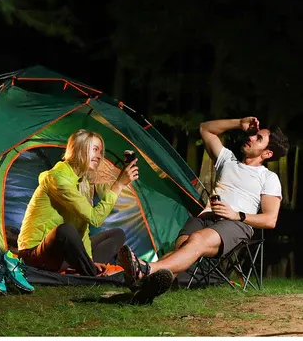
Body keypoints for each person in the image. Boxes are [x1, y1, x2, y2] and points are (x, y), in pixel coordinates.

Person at [118, 116, 289, 305]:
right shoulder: (227, 160)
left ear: (267, 153)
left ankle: (146, 269)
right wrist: (239, 123)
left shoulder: (268, 178)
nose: (251, 137)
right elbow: (205, 128)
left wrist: (237, 215)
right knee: (182, 248)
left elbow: (270, 219)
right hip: (206, 217)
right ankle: (145, 291)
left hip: (235, 225)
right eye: (253, 134)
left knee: (197, 240)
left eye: (258, 138)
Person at [2, 129, 138, 289]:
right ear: (79, 149)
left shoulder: (83, 182)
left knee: (117, 234)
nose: (99, 156)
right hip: (36, 253)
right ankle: (92, 274)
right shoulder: (58, 179)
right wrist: (118, 185)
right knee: (65, 231)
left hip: (63, 255)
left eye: (100, 152)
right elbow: (95, 218)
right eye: (95, 149)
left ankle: (85, 267)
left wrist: (88, 259)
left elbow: (83, 228)